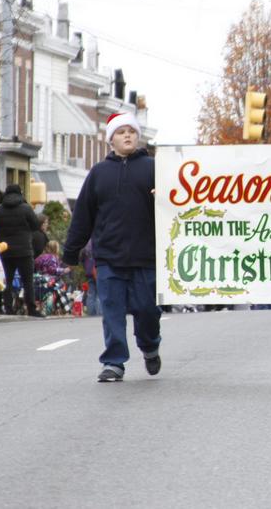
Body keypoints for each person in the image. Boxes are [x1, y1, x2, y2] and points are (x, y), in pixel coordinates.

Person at [63, 112, 161, 383]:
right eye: (121, 132)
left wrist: (161, 197)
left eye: (131, 131)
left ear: (137, 136)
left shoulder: (153, 168)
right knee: (112, 311)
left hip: (147, 257)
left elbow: (175, 208)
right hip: (108, 258)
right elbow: (83, 215)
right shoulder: (98, 173)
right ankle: (114, 362)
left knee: (147, 310)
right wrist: (71, 250)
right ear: (111, 140)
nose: (127, 135)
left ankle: (150, 345)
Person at [0, 183, 44, 317]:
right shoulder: (26, 208)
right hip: (24, 250)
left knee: (4, 280)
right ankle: (31, 309)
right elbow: (36, 225)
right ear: (20, 193)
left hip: (4, 250)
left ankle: (2, 308)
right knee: (27, 281)